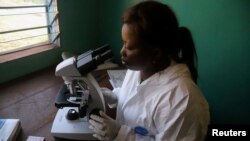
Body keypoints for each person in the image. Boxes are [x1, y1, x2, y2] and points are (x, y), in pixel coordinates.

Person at [89, 1, 210, 141]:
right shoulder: (140, 67)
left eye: (130, 47)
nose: (122, 52)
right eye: (123, 43)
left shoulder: (183, 101)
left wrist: (120, 134)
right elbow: (136, 97)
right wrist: (112, 95)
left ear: (156, 53)